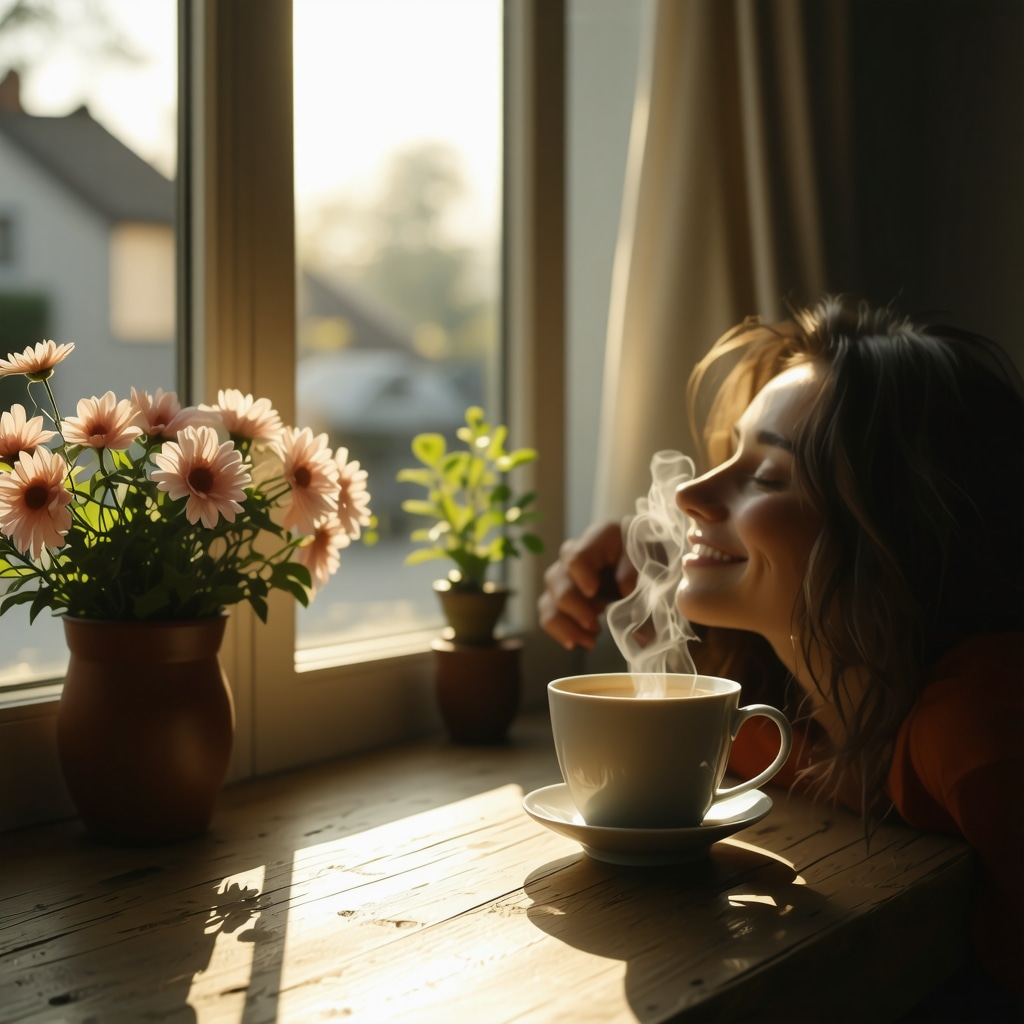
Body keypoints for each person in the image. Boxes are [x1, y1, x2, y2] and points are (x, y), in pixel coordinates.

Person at [538, 295, 1023, 1013]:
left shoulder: (982, 729)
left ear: (894, 540)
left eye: (765, 475)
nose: (693, 494)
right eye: (728, 453)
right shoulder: (790, 700)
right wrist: (635, 557)